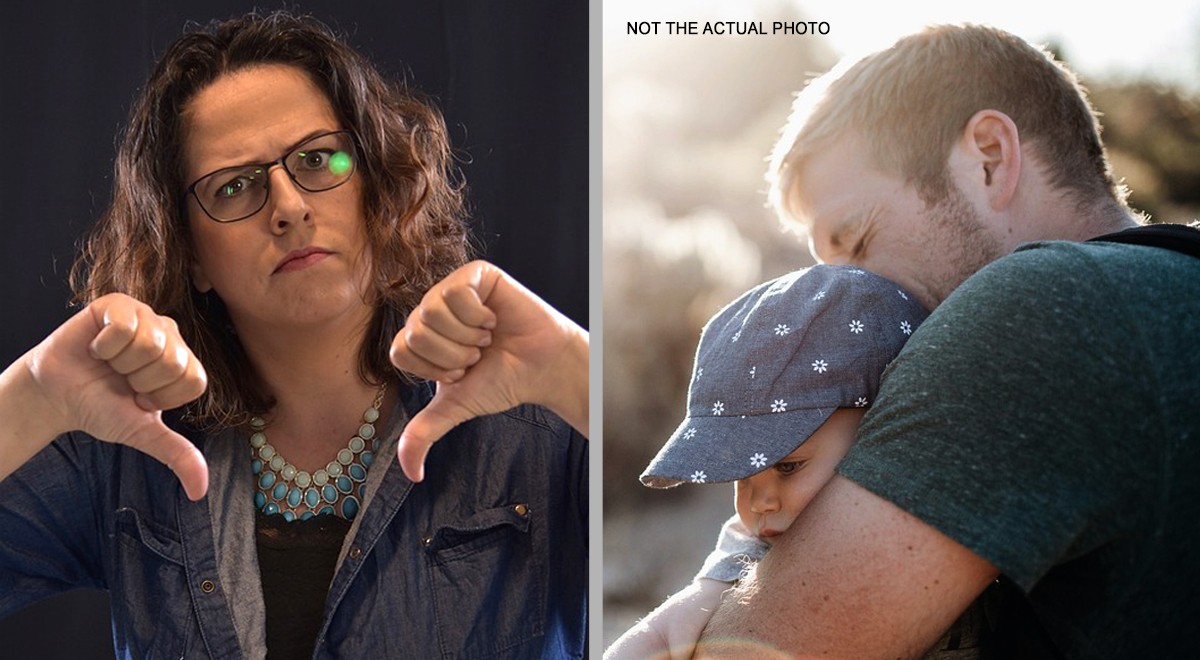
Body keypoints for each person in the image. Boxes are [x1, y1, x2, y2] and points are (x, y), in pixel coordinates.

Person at [0, 11, 588, 659]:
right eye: (234, 186)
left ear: (376, 188)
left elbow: (705, 550)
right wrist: (30, 398)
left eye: (318, 158)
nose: (288, 206)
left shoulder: (533, 428)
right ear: (189, 253)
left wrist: (571, 369)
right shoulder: (126, 450)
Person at [692, 24, 1200, 659]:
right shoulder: (1171, 286)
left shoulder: (1034, 308)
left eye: (856, 239)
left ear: (989, 156)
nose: (847, 295)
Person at [605, 265, 942, 660]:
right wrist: (709, 591)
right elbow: (662, 634)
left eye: (787, 466)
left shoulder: (935, 511)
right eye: (743, 477)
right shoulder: (752, 546)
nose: (759, 503)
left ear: (880, 425)